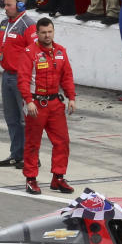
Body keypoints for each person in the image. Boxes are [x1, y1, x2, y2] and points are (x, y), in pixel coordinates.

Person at [17, 18, 76, 195]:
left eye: (50, 32)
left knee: (62, 141)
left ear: (53, 31)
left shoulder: (60, 51)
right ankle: (31, 179)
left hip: (55, 104)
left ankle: (58, 178)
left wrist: (71, 97)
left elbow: (67, 76)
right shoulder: (29, 52)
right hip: (36, 104)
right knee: (33, 143)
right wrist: (28, 101)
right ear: (38, 33)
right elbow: (23, 79)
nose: (47, 35)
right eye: (43, 32)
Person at [0, 0, 37, 168]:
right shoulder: (4, 23)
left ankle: (31, 157)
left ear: (21, 5)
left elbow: (37, 53)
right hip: (7, 76)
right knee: (12, 118)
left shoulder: (29, 25)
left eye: (9, 5)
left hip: (22, 78)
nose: (5, 8)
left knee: (26, 120)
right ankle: (16, 154)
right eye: (4, 5)